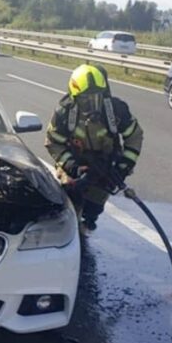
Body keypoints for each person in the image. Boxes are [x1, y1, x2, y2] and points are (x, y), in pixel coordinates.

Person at [45, 64, 143, 233]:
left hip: (104, 164)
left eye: (96, 98)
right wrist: (71, 166)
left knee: (94, 206)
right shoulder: (64, 113)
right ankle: (69, 232)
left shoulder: (116, 111)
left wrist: (123, 167)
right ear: (75, 97)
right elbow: (53, 141)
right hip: (74, 162)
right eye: (85, 100)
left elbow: (134, 136)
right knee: (69, 199)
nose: (92, 105)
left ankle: (87, 225)